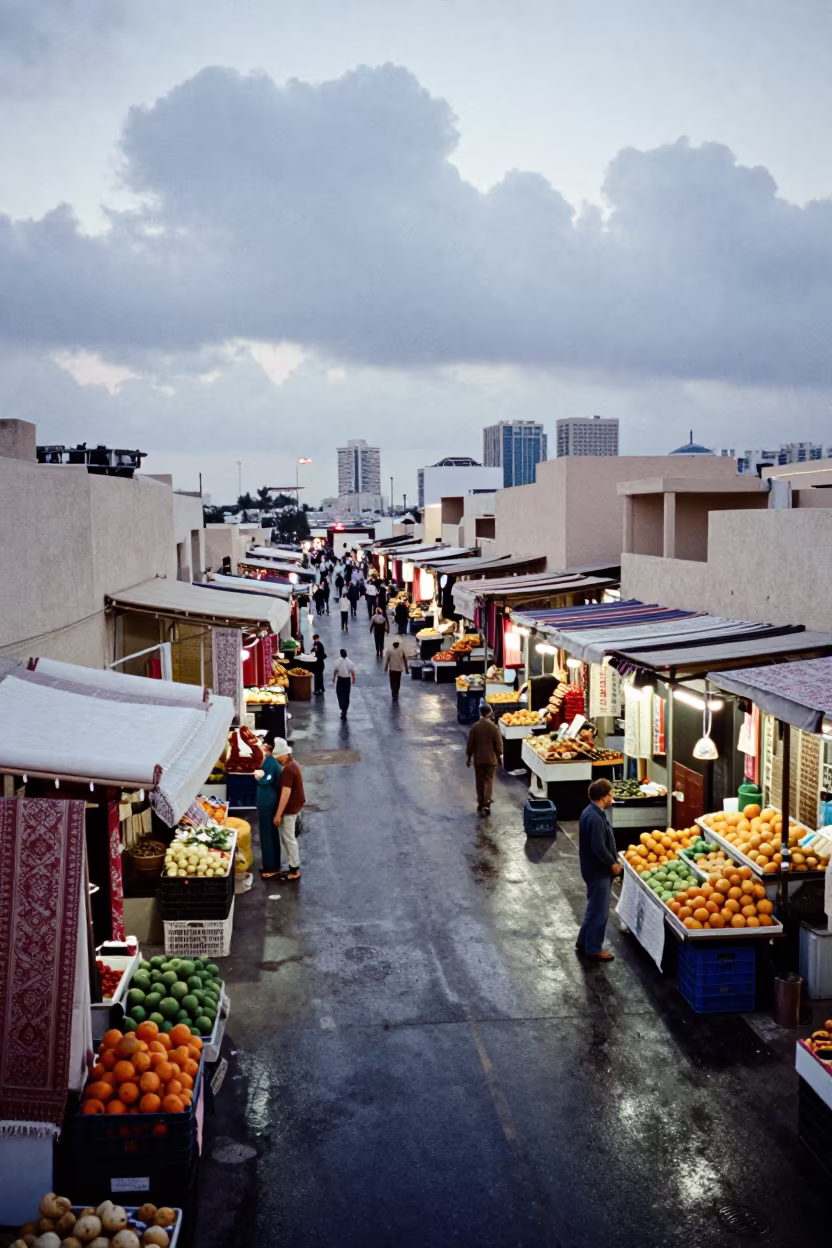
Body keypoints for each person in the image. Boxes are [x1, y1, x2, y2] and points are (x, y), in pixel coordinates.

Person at [576, 778, 621, 962]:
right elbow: (598, 847)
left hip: (592, 869)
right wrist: (613, 864)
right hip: (598, 871)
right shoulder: (594, 817)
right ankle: (594, 948)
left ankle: (583, 941)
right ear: (603, 797)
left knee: (593, 907)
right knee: (600, 912)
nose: (613, 798)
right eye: (611, 795)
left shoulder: (592, 812)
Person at [272, 738, 304, 882]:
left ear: (284, 755)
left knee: (289, 838)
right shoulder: (293, 764)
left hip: (290, 809)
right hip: (295, 807)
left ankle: (294, 868)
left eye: (278, 758)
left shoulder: (288, 770)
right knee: (288, 838)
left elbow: (286, 794)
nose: (278, 761)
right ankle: (292, 865)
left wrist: (278, 815)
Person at [465, 703, 503, 816]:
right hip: (491, 759)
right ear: (490, 713)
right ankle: (487, 804)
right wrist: (500, 757)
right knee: (489, 781)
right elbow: (498, 745)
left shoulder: (475, 727)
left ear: (481, 713)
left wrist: (468, 758)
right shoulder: (493, 727)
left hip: (478, 759)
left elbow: (470, 744)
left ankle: (480, 802)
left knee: (479, 782)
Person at [254, 741, 282, 879]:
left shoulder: (272, 763)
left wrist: (260, 778)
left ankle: (271, 867)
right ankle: (271, 864)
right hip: (266, 802)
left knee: (268, 833)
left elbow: (268, 779)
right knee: (269, 833)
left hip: (268, 803)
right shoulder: (269, 761)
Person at [332, 648, 357, 718]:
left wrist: (333, 679)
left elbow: (335, 671)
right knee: (346, 695)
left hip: (340, 679)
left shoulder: (338, 661)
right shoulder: (349, 662)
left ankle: (342, 708)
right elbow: (352, 672)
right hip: (347, 680)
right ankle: (345, 709)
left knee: (339, 694)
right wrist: (353, 679)